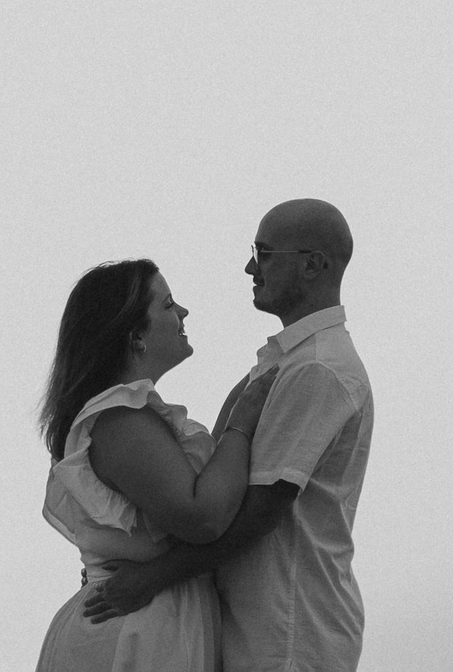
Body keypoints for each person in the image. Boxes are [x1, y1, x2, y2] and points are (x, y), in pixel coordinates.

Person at [83, 200, 373, 672]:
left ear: (313, 265)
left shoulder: (316, 367)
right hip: (253, 625)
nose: (249, 267)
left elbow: (261, 510)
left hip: (287, 631)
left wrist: (152, 578)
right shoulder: (287, 362)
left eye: (264, 252)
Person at [34, 258, 275, 672]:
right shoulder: (119, 419)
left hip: (151, 622)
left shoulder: (131, 416)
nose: (182, 312)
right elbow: (203, 518)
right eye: (167, 305)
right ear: (135, 336)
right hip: (137, 631)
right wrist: (242, 423)